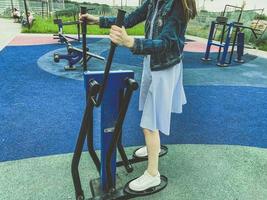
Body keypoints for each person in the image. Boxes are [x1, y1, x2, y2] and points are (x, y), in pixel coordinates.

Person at [81, 0, 197, 192]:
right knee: (149, 110)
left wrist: (131, 42)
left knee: (149, 124)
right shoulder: (154, 1)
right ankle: (155, 148)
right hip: (151, 62)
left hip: (164, 67)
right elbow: (130, 18)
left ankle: (153, 175)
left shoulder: (178, 5)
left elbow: (167, 42)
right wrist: (97, 20)